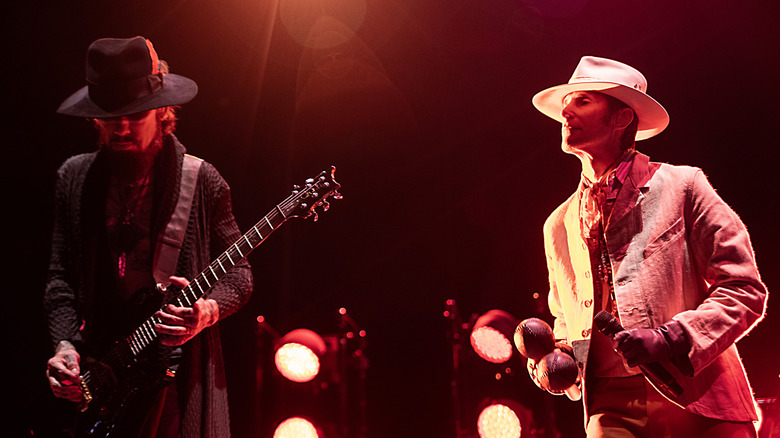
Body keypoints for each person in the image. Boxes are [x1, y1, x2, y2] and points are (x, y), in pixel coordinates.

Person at [530, 56, 768, 437]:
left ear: (623, 118)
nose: (566, 111)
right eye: (565, 104)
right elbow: (566, 320)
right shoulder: (557, 224)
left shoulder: (683, 185)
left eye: (583, 101)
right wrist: (551, 361)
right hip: (610, 408)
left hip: (701, 395)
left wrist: (670, 338)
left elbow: (745, 289)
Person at [44, 36, 253, 437]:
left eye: (135, 114)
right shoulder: (74, 179)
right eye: (109, 115)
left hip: (174, 379)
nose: (121, 127)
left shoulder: (202, 180)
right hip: (101, 375)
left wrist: (205, 312)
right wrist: (65, 346)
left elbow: (240, 274)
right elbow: (60, 280)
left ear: (162, 111)